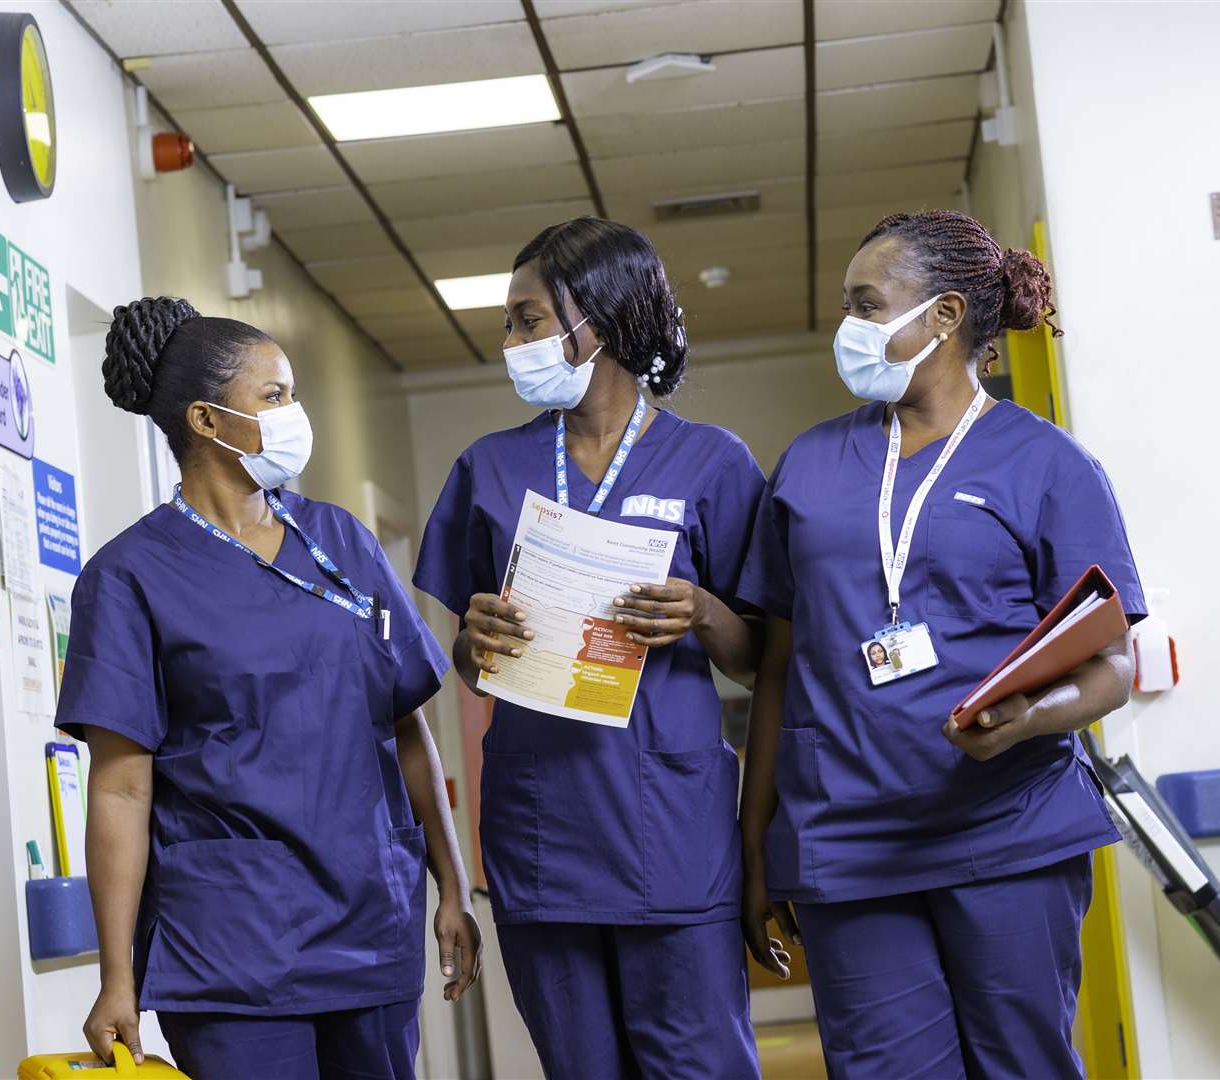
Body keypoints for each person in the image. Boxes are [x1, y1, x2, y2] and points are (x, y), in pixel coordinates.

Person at [736, 210, 1147, 1079]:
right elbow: (777, 668)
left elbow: (1113, 664)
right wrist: (757, 844)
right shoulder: (808, 468)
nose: (848, 328)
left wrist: (1034, 713)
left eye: (866, 304)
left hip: (1006, 828)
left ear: (947, 316)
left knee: (1021, 1066)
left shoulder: (1047, 465)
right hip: (847, 842)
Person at [57, 297, 480, 1080]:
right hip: (230, 947)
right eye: (275, 396)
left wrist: (453, 884)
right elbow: (120, 787)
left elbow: (407, 722)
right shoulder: (128, 578)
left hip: (369, 926)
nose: (295, 414)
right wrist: (116, 973)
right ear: (208, 421)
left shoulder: (342, 540)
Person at [413, 218, 766, 1079]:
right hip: (544, 834)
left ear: (596, 324)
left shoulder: (711, 463)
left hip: (670, 828)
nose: (512, 342)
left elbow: (758, 654)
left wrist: (702, 611)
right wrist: (474, 645)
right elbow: (466, 656)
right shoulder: (489, 469)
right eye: (510, 324)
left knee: (698, 1067)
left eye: (528, 321)